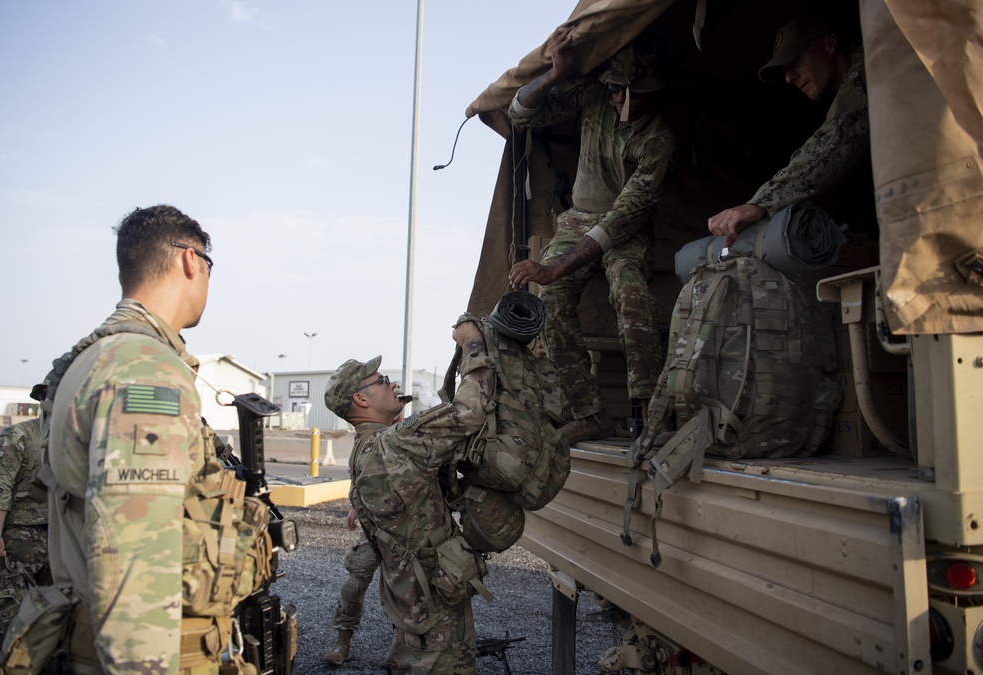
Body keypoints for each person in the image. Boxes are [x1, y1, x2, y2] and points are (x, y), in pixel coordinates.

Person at [5, 205, 270, 674]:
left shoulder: (94, 357)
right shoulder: (144, 368)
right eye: (210, 266)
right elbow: (134, 558)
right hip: (152, 654)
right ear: (191, 261)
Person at [507, 27, 678, 443]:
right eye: (617, 89)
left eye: (630, 91)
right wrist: (553, 74)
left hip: (626, 225)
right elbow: (518, 114)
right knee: (550, 302)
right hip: (579, 217)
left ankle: (650, 409)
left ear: (653, 90)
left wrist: (554, 266)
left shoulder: (658, 140)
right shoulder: (596, 98)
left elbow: (622, 218)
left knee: (630, 291)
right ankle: (590, 412)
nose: (621, 99)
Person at [324, 318, 494, 674]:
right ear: (361, 398)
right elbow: (470, 412)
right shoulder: (397, 442)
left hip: (412, 596)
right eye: (381, 381)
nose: (391, 384)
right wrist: (473, 346)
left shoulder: (361, 452)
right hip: (436, 597)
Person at [707, 11, 868, 243]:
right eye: (784, 69)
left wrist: (759, 204)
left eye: (796, 61)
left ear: (830, 43)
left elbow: (832, 143)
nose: (789, 78)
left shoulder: (866, 71)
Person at [0, 384, 50, 582]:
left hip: (61, 535)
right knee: (9, 601)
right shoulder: (19, 435)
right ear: (42, 399)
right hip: (21, 535)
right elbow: (1, 487)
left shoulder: (80, 440)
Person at [323, 508, 377, 666]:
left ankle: (402, 648)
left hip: (406, 532)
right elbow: (360, 483)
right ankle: (343, 644)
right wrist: (355, 508)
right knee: (352, 587)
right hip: (373, 530)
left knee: (404, 591)